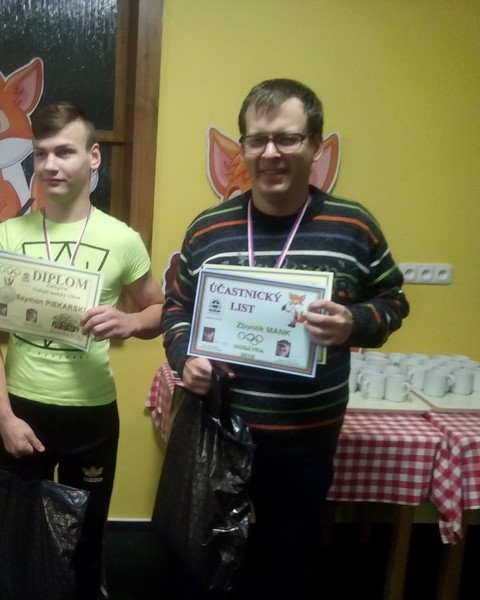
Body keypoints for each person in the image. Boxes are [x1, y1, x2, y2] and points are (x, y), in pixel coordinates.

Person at [162, 79, 409, 600]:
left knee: (288, 563)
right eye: (257, 139)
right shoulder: (208, 229)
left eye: (287, 138)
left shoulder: (353, 226)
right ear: (244, 147)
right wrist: (185, 357)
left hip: (304, 441)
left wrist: (354, 322)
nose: (270, 153)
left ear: (315, 145)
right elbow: (177, 307)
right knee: (202, 563)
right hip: (217, 433)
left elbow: (393, 302)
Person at [0, 101, 165, 599]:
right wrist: (3, 416)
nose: (50, 165)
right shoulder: (6, 235)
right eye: (41, 154)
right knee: (19, 538)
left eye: (65, 152)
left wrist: (129, 321)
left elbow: (160, 310)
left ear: (93, 157)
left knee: (85, 541)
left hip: (91, 415)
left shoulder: (122, 239)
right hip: (22, 411)